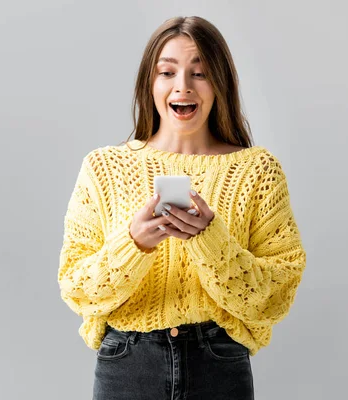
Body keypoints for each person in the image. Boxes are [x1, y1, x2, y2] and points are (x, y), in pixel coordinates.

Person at [58, 15, 306, 400]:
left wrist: (211, 242)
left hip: (218, 363)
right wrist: (133, 245)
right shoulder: (103, 168)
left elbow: (274, 297)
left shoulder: (258, 171)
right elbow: (77, 290)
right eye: (167, 72)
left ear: (220, 83)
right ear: (150, 83)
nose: (183, 86)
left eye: (200, 73)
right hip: (128, 365)